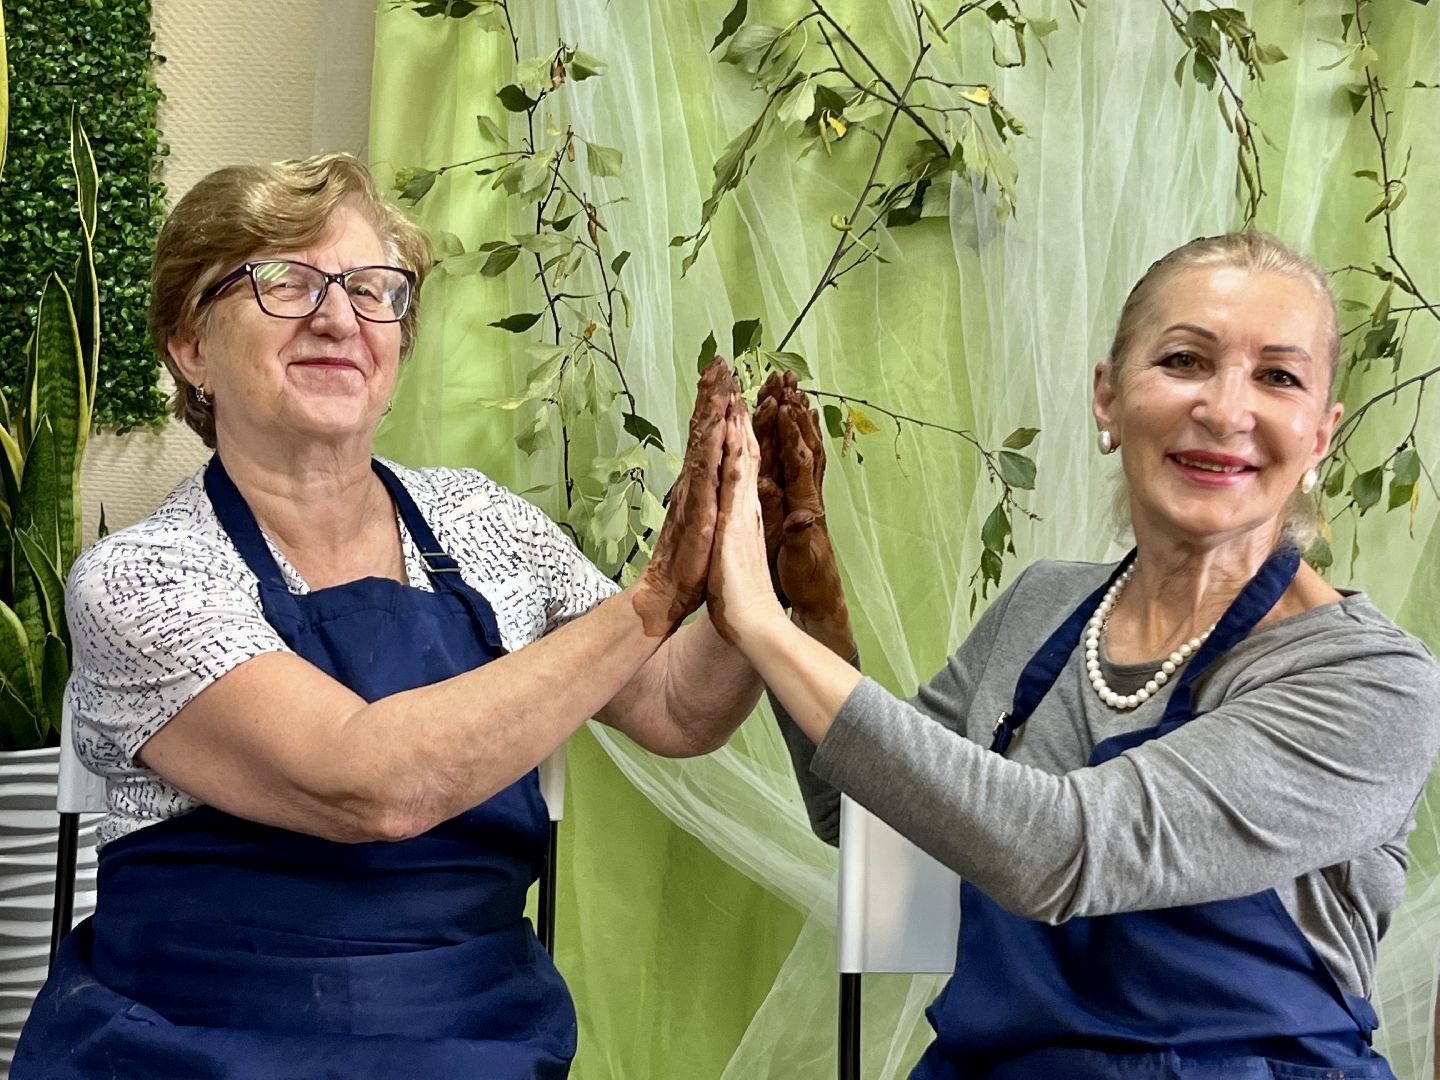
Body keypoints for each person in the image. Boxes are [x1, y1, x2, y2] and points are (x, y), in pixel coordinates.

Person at [15, 153, 759, 1079]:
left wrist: (770, 581)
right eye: (284, 282)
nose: (340, 318)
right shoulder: (138, 576)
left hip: (477, 1041)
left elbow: (680, 708)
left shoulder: (486, 524)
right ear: (190, 345)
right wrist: (651, 602)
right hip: (192, 1048)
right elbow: (372, 786)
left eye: (376, 290)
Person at [708, 233, 1440, 1078]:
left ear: (1319, 435)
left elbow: (1061, 851)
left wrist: (759, 624)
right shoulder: (1043, 606)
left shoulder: (1365, 681)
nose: (1226, 410)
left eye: (1278, 376)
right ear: (1108, 397)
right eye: (1185, 360)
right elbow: (876, 823)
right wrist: (811, 610)